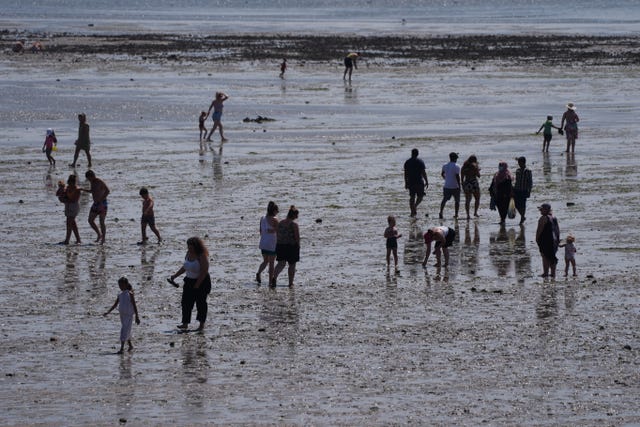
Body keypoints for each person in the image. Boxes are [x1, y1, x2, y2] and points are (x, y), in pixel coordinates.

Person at [168, 237, 212, 331]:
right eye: (188, 246)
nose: (189, 248)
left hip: (202, 282)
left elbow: (204, 271)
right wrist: (175, 276)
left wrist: (197, 284)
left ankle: (201, 325)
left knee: (201, 304)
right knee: (186, 303)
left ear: (196, 246)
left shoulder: (202, 255)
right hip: (189, 281)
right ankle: (185, 323)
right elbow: (185, 267)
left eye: (191, 246)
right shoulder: (188, 254)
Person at [103, 277, 140, 354]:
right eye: (119, 285)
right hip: (122, 316)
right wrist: (108, 312)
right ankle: (130, 345)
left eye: (122, 285)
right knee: (127, 330)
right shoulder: (120, 295)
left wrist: (137, 316)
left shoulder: (130, 294)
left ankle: (122, 348)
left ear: (126, 285)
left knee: (124, 330)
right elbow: (115, 305)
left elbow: (134, 305)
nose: (120, 287)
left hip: (129, 315)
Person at [273, 205, 300, 287]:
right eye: (296, 215)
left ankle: (274, 277)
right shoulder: (294, 225)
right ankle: (290, 283)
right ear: (293, 215)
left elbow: (277, 234)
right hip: (291, 247)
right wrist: (298, 246)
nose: (297, 217)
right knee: (292, 265)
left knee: (281, 264)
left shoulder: (281, 223)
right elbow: (297, 237)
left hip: (280, 246)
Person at [83, 170, 110, 244]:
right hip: (95, 204)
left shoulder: (99, 181)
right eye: (88, 179)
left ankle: (103, 239)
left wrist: (101, 199)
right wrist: (83, 190)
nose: (89, 180)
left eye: (89, 178)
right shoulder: (92, 182)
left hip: (102, 204)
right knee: (90, 220)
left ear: (92, 176)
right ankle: (99, 234)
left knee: (102, 222)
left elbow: (107, 191)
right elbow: (92, 191)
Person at [256, 201, 279, 285]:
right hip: (272, 244)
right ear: (274, 211)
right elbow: (279, 231)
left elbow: (261, 231)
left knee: (265, 261)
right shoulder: (275, 219)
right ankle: (270, 282)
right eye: (277, 211)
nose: (278, 212)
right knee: (272, 263)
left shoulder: (262, 218)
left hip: (263, 243)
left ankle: (258, 273)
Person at [535, 203, 560, 278]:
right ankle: (553, 273)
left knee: (545, 256)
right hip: (554, 240)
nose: (540, 211)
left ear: (546, 210)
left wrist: (537, 239)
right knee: (552, 256)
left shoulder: (543, 218)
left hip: (545, 240)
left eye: (541, 209)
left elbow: (539, 230)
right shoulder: (554, 218)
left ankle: (545, 273)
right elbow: (557, 230)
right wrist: (558, 240)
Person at [56, 174, 81, 244]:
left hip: (74, 206)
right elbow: (62, 194)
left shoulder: (77, 189)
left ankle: (67, 240)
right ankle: (78, 239)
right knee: (72, 223)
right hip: (68, 205)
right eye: (69, 183)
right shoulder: (68, 188)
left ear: (74, 183)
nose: (69, 185)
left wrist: (66, 200)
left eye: (71, 184)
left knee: (69, 223)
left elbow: (74, 200)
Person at [404, 148, 429, 217]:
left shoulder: (407, 162)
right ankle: (415, 206)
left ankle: (413, 210)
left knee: (412, 197)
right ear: (417, 154)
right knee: (420, 196)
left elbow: (405, 173)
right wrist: (427, 181)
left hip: (411, 182)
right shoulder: (420, 161)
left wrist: (406, 182)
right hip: (419, 181)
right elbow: (423, 172)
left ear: (411, 153)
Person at [439, 152, 461, 219]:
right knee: (457, 201)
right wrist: (459, 186)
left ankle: (441, 212)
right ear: (455, 158)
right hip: (455, 186)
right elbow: (457, 177)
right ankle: (456, 214)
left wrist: (446, 178)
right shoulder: (457, 166)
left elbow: (442, 174)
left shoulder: (445, 165)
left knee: (444, 200)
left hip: (447, 186)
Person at [512, 156, 533, 224]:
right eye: (518, 162)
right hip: (517, 189)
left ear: (523, 162)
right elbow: (516, 181)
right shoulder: (517, 170)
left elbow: (530, 182)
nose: (519, 164)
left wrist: (529, 191)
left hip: (524, 190)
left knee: (523, 204)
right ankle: (522, 216)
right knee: (515, 204)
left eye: (520, 162)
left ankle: (522, 217)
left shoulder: (528, 171)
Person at [460, 155, 481, 219]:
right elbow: (478, 175)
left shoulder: (464, 167)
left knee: (467, 200)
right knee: (477, 198)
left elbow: (462, 177)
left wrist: (463, 184)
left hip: (467, 183)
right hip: (473, 183)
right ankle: (475, 212)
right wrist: (478, 170)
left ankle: (468, 215)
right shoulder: (474, 166)